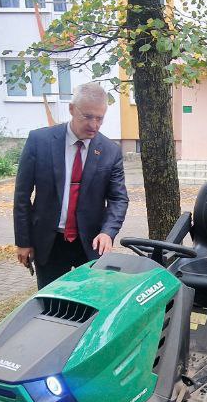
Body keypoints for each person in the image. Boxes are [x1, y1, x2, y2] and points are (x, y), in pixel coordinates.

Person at [13, 82, 129, 287]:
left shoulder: (110, 151)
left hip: (91, 243)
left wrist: (108, 232)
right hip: (50, 242)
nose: (94, 125)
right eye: (88, 117)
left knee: (90, 302)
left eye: (99, 118)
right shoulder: (39, 141)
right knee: (51, 303)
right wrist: (23, 241)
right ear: (72, 109)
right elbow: (22, 196)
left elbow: (118, 198)